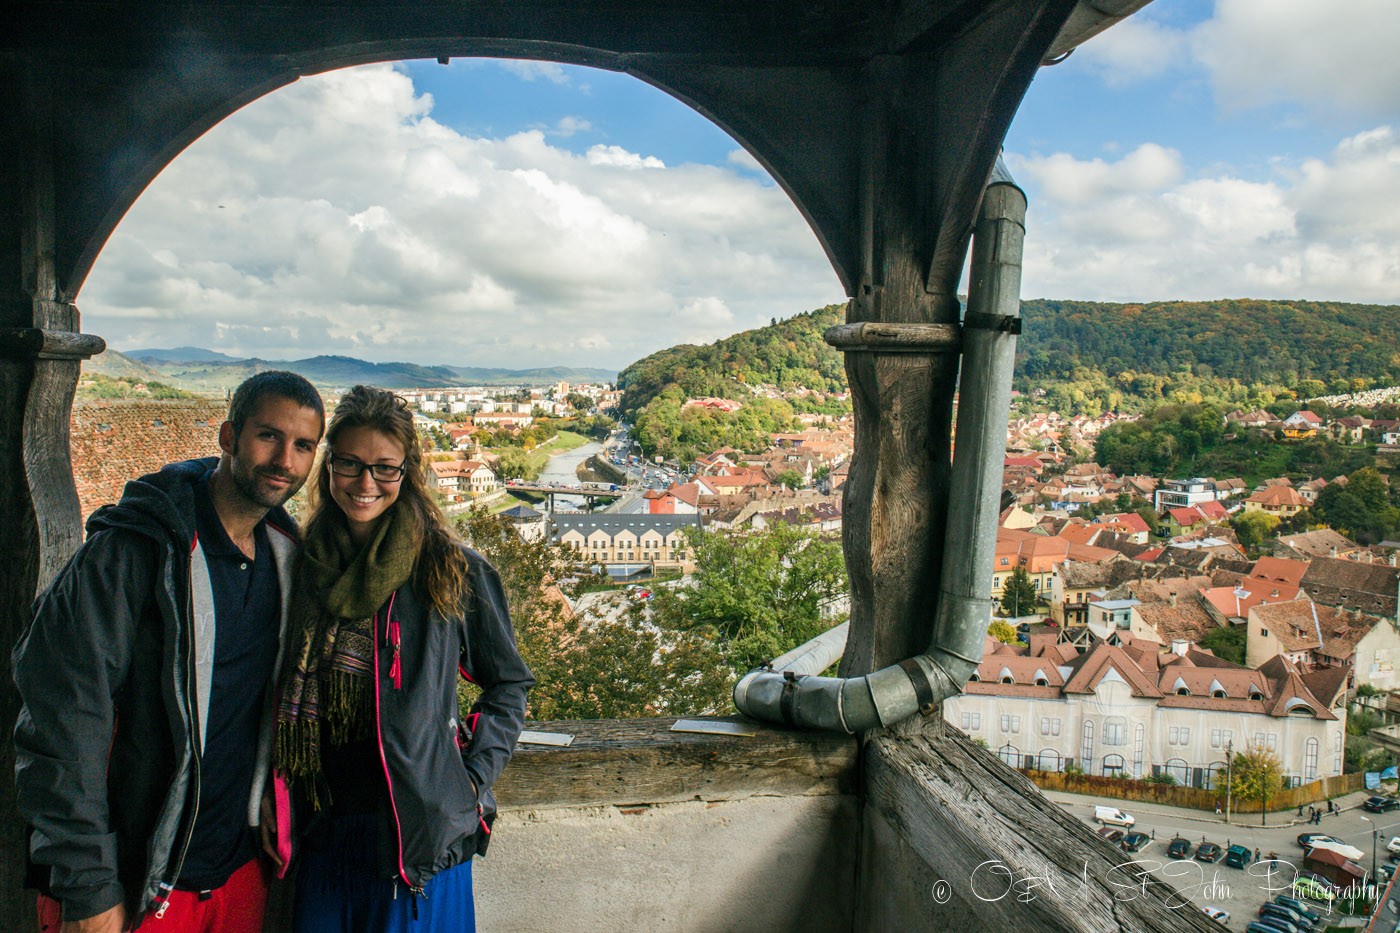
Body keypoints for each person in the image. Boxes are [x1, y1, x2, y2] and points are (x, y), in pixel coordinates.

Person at [13, 371, 326, 932]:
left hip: (236, 874)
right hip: (134, 882)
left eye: (303, 446)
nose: (284, 459)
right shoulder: (131, 554)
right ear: (228, 436)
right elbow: (61, 721)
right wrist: (87, 886)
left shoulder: (286, 559)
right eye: (268, 436)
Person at [271, 385, 533, 932]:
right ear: (329, 468)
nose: (366, 483)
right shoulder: (300, 563)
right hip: (321, 833)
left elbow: (508, 684)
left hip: (416, 839)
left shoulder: (451, 568)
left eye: (384, 468)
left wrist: (470, 780)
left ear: (406, 472)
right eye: (350, 464)